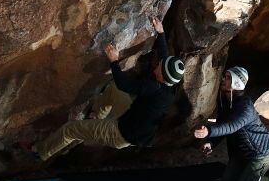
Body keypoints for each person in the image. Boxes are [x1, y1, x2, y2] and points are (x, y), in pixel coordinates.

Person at [30, 16, 185, 161]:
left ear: (162, 76)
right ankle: (96, 116)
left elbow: (123, 83)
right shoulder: (171, 85)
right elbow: (165, 59)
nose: (157, 64)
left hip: (119, 133)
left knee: (70, 129)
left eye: (159, 66)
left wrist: (114, 61)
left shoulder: (153, 88)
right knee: (113, 90)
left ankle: (41, 152)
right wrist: (161, 32)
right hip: (132, 121)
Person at [193, 66, 269, 181]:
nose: (223, 79)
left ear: (236, 82)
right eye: (225, 76)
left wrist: (209, 131)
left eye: (228, 78)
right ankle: (252, 172)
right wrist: (211, 143)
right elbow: (222, 124)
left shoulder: (245, 107)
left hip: (260, 153)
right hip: (241, 153)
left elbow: (231, 126)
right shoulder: (225, 101)